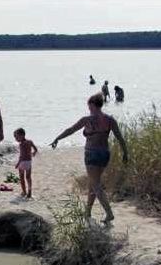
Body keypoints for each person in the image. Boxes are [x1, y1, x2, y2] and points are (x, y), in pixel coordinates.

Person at [49, 93, 129, 223]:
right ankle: (88, 212)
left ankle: (109, 213)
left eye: (89, 105)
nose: (88, 108)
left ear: (93, 105)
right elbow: (120, 137)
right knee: (93, 182)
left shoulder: (87, 120)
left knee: (96, 184)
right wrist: (125, 153)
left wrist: (57, 138)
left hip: (91, 153)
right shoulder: (110, 120)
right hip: (104, 153)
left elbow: (71, 130)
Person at [13, 128, 38, 198]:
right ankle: (29, 192)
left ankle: (24, 192)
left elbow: (21, 156)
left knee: (21, 177)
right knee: (28, 177)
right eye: (15, 137)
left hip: (22, 162)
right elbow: (35, 149)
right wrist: (34, 153)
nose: (16, 138)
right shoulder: (30, 142)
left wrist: (18, 164)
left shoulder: (21, 144)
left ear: (22, 135)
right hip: (29, 162)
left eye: (17, 136)